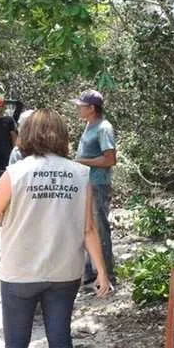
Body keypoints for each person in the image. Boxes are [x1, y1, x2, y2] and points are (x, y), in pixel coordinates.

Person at [0, 109, 111, 348]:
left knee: (16, 342)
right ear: (62, 136)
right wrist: (101, 271)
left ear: (26, 135)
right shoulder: (80, 173)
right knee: (60, 338)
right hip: (65, 271)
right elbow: (88, 229)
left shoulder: (16, 173)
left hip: (20, 271)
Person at [73, 90, 117, 285]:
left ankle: (107, 274)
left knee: (99, 228)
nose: (78, 109)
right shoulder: (89, 126)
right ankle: (92, 271)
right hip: (87, 184)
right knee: (88, 227)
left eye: (81, 106)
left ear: (92, 108)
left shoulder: (103, 128)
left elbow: (110, 159)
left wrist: (79, 161)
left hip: (98, 184)